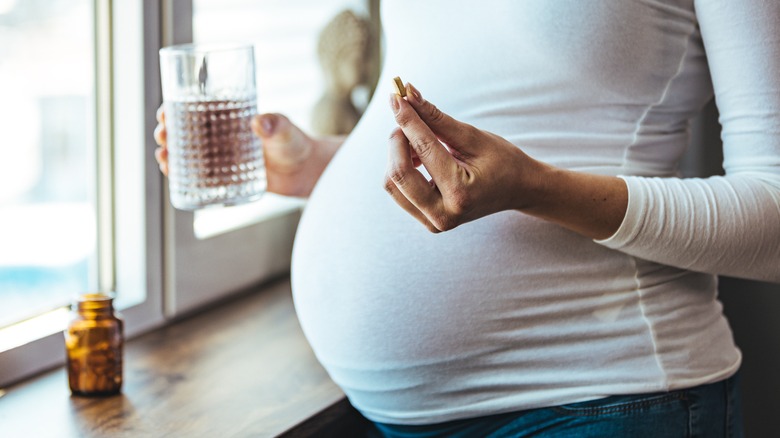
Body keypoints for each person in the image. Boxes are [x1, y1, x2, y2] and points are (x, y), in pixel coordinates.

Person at [155, 1, 780, 436]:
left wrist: (536, 188)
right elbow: (485, 115)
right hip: (388, 416)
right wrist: (319, 165)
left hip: (596, 399)